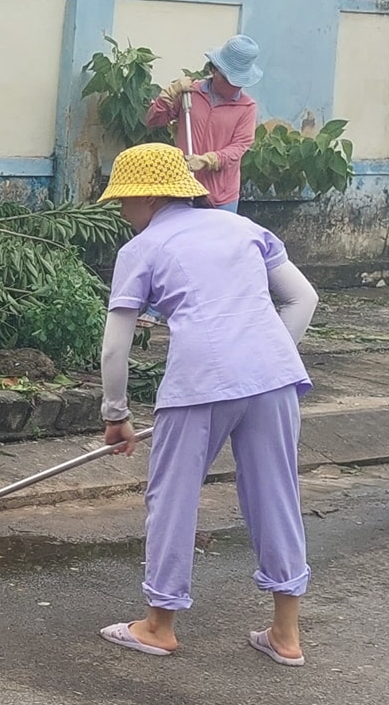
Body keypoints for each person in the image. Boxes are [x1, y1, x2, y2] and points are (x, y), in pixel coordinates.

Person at [95, 143, 317, 666]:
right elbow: (303, 298)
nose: (122, 211)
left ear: (148, 196)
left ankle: (158, 624)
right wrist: (264, 356)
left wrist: (115, 414)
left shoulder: (142, 249)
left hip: (200, 380)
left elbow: (113, 344)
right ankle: (286, 635)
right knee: (277, 493)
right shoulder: (244, 230)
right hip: (273, 376)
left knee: (172, 496)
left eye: (124, 200)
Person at [145, 34, 261, 214]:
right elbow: (154, 120)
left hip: (221, 197)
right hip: (183, 190)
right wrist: (170, 93)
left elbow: (239, 147)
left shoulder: (247, 107)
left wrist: (207, 160)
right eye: (231, 80)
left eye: (241, 82)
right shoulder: (190, 94)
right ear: (215, 71)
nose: (236, 87)